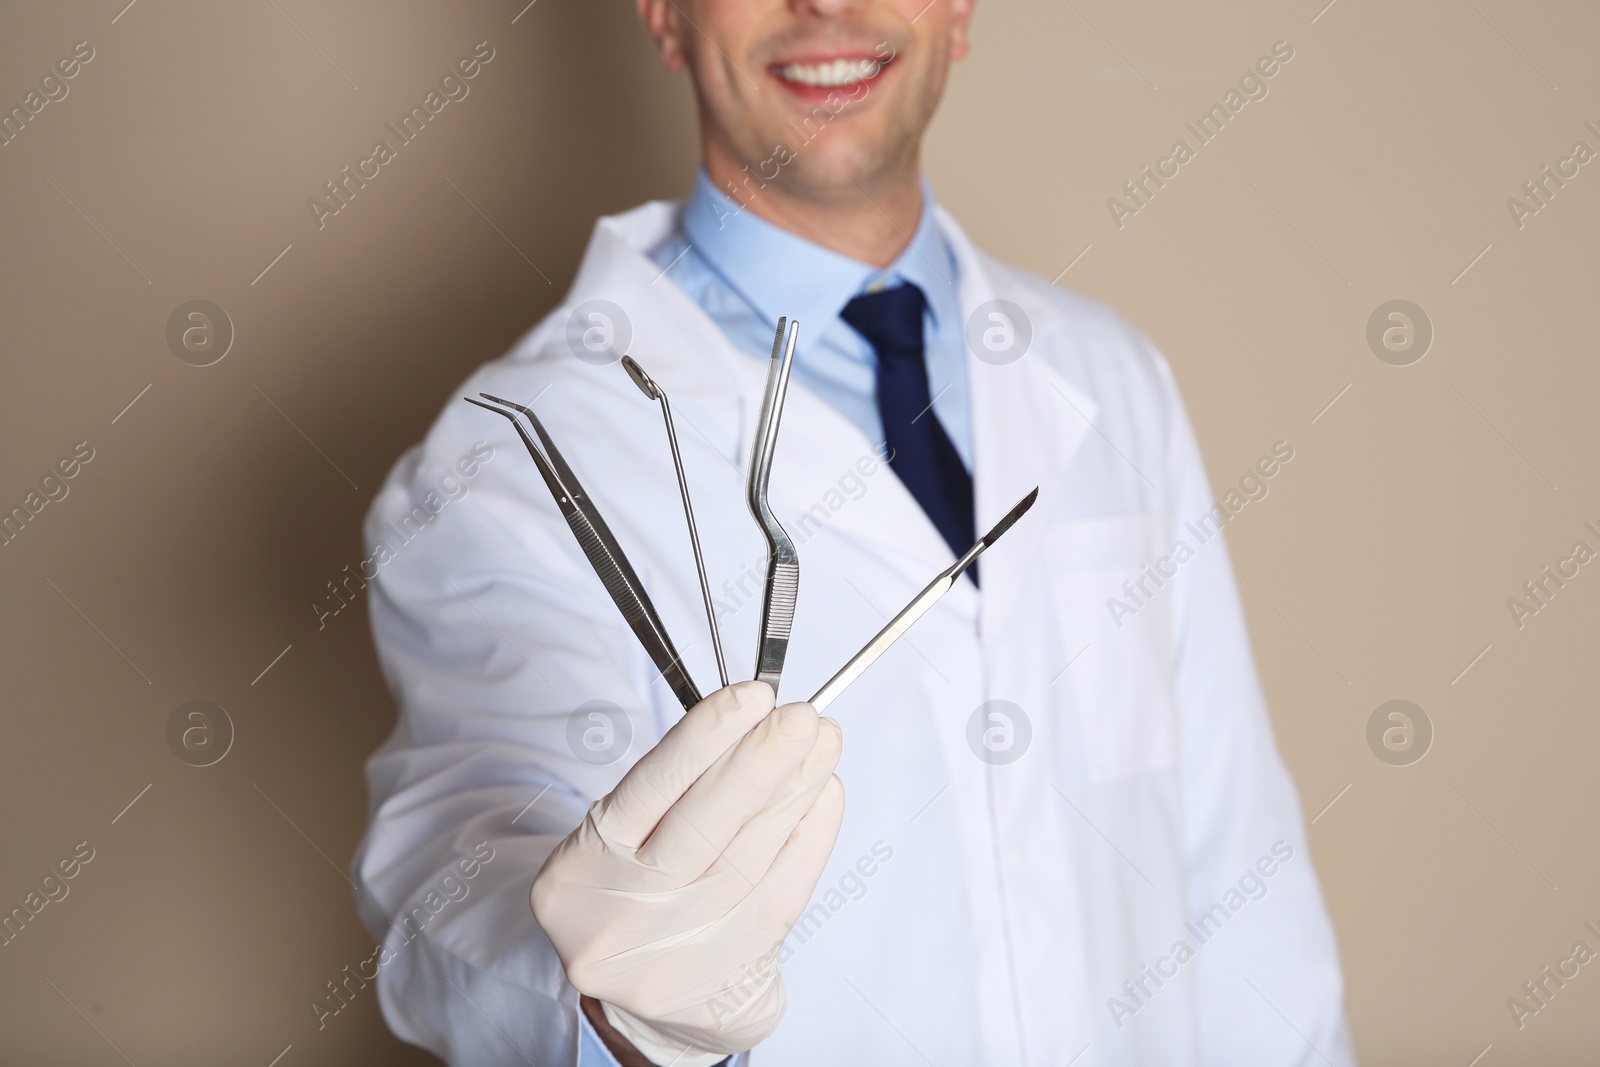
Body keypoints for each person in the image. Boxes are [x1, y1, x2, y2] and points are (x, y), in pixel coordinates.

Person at [351, 0, 1355, 1063]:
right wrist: (612, 1000)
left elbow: (1242, 876)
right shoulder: (513, 456)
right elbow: (460, 873)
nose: (827, 4)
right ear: (664, 14)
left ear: (958, 12)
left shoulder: (1112, 378)